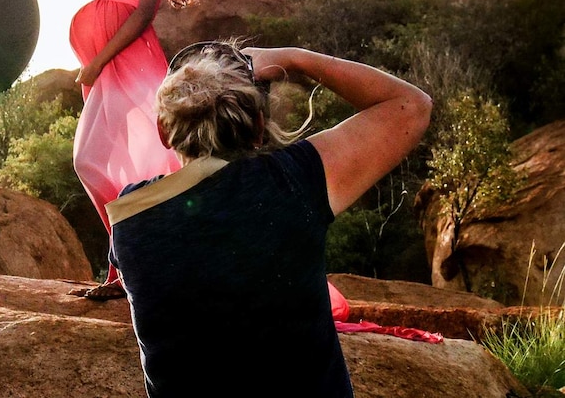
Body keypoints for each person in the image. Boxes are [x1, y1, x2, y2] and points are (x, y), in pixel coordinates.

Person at [106, 40, 432, 397]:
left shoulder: (129, 216)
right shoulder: (294, 180)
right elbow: (412, 105)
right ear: (259, 128)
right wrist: (294, 58)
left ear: (163, 132)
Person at [43, 0, 191, 300]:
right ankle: (124, 267)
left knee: (141, 160)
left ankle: (129, 267)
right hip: (107, 72)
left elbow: (144, 13)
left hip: (130, 64)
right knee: (98, 163)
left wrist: (96, 62)